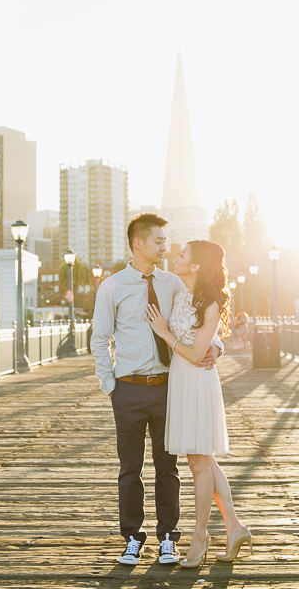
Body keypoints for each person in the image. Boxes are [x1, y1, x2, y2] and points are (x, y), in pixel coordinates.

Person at [92, 213, 222, 566]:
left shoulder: (174, 283)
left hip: (169, 387)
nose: (166, 247)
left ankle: (168, 536)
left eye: (167, 242)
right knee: (130, 468)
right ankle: (132, 537)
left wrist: (217, 348)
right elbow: (99, 338)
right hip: (128, 389)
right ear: (139, 243)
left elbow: (201, 316)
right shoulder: (112, 286)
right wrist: (110, 386)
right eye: (160, 241)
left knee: (168, 468)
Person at [146, 240, 252, 568]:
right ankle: (234, 528)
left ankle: (201, 535)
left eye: (182, 255)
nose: (175, 257)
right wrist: (216, 345)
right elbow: (204, 341)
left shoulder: (210, 304)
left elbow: (195, 354)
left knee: (197, 463)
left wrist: (165, 334)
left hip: (196, 381)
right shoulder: (178, 292)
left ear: (194, 266)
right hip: (179, 380)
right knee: (203, 459)